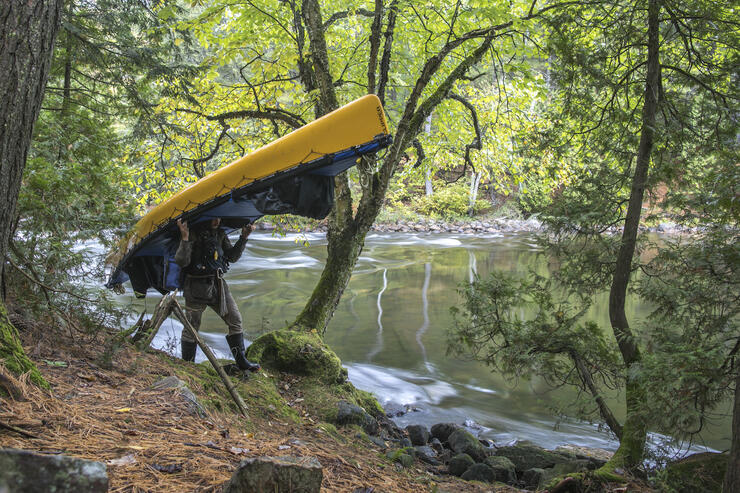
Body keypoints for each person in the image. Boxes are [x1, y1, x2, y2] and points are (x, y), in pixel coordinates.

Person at [174, 217, 260, 372]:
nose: (217, 220)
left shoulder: (220, 234)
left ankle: (242, 362)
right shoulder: (192, 233)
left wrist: (244, 237)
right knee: (191, 328)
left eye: (219, 218)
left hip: (218, 285)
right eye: (213, 218)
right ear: (205, 218)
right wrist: (185, 237)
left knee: (235, 320)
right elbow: (182, 261)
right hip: (195, 287)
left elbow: (232, 257)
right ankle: (189, 367)